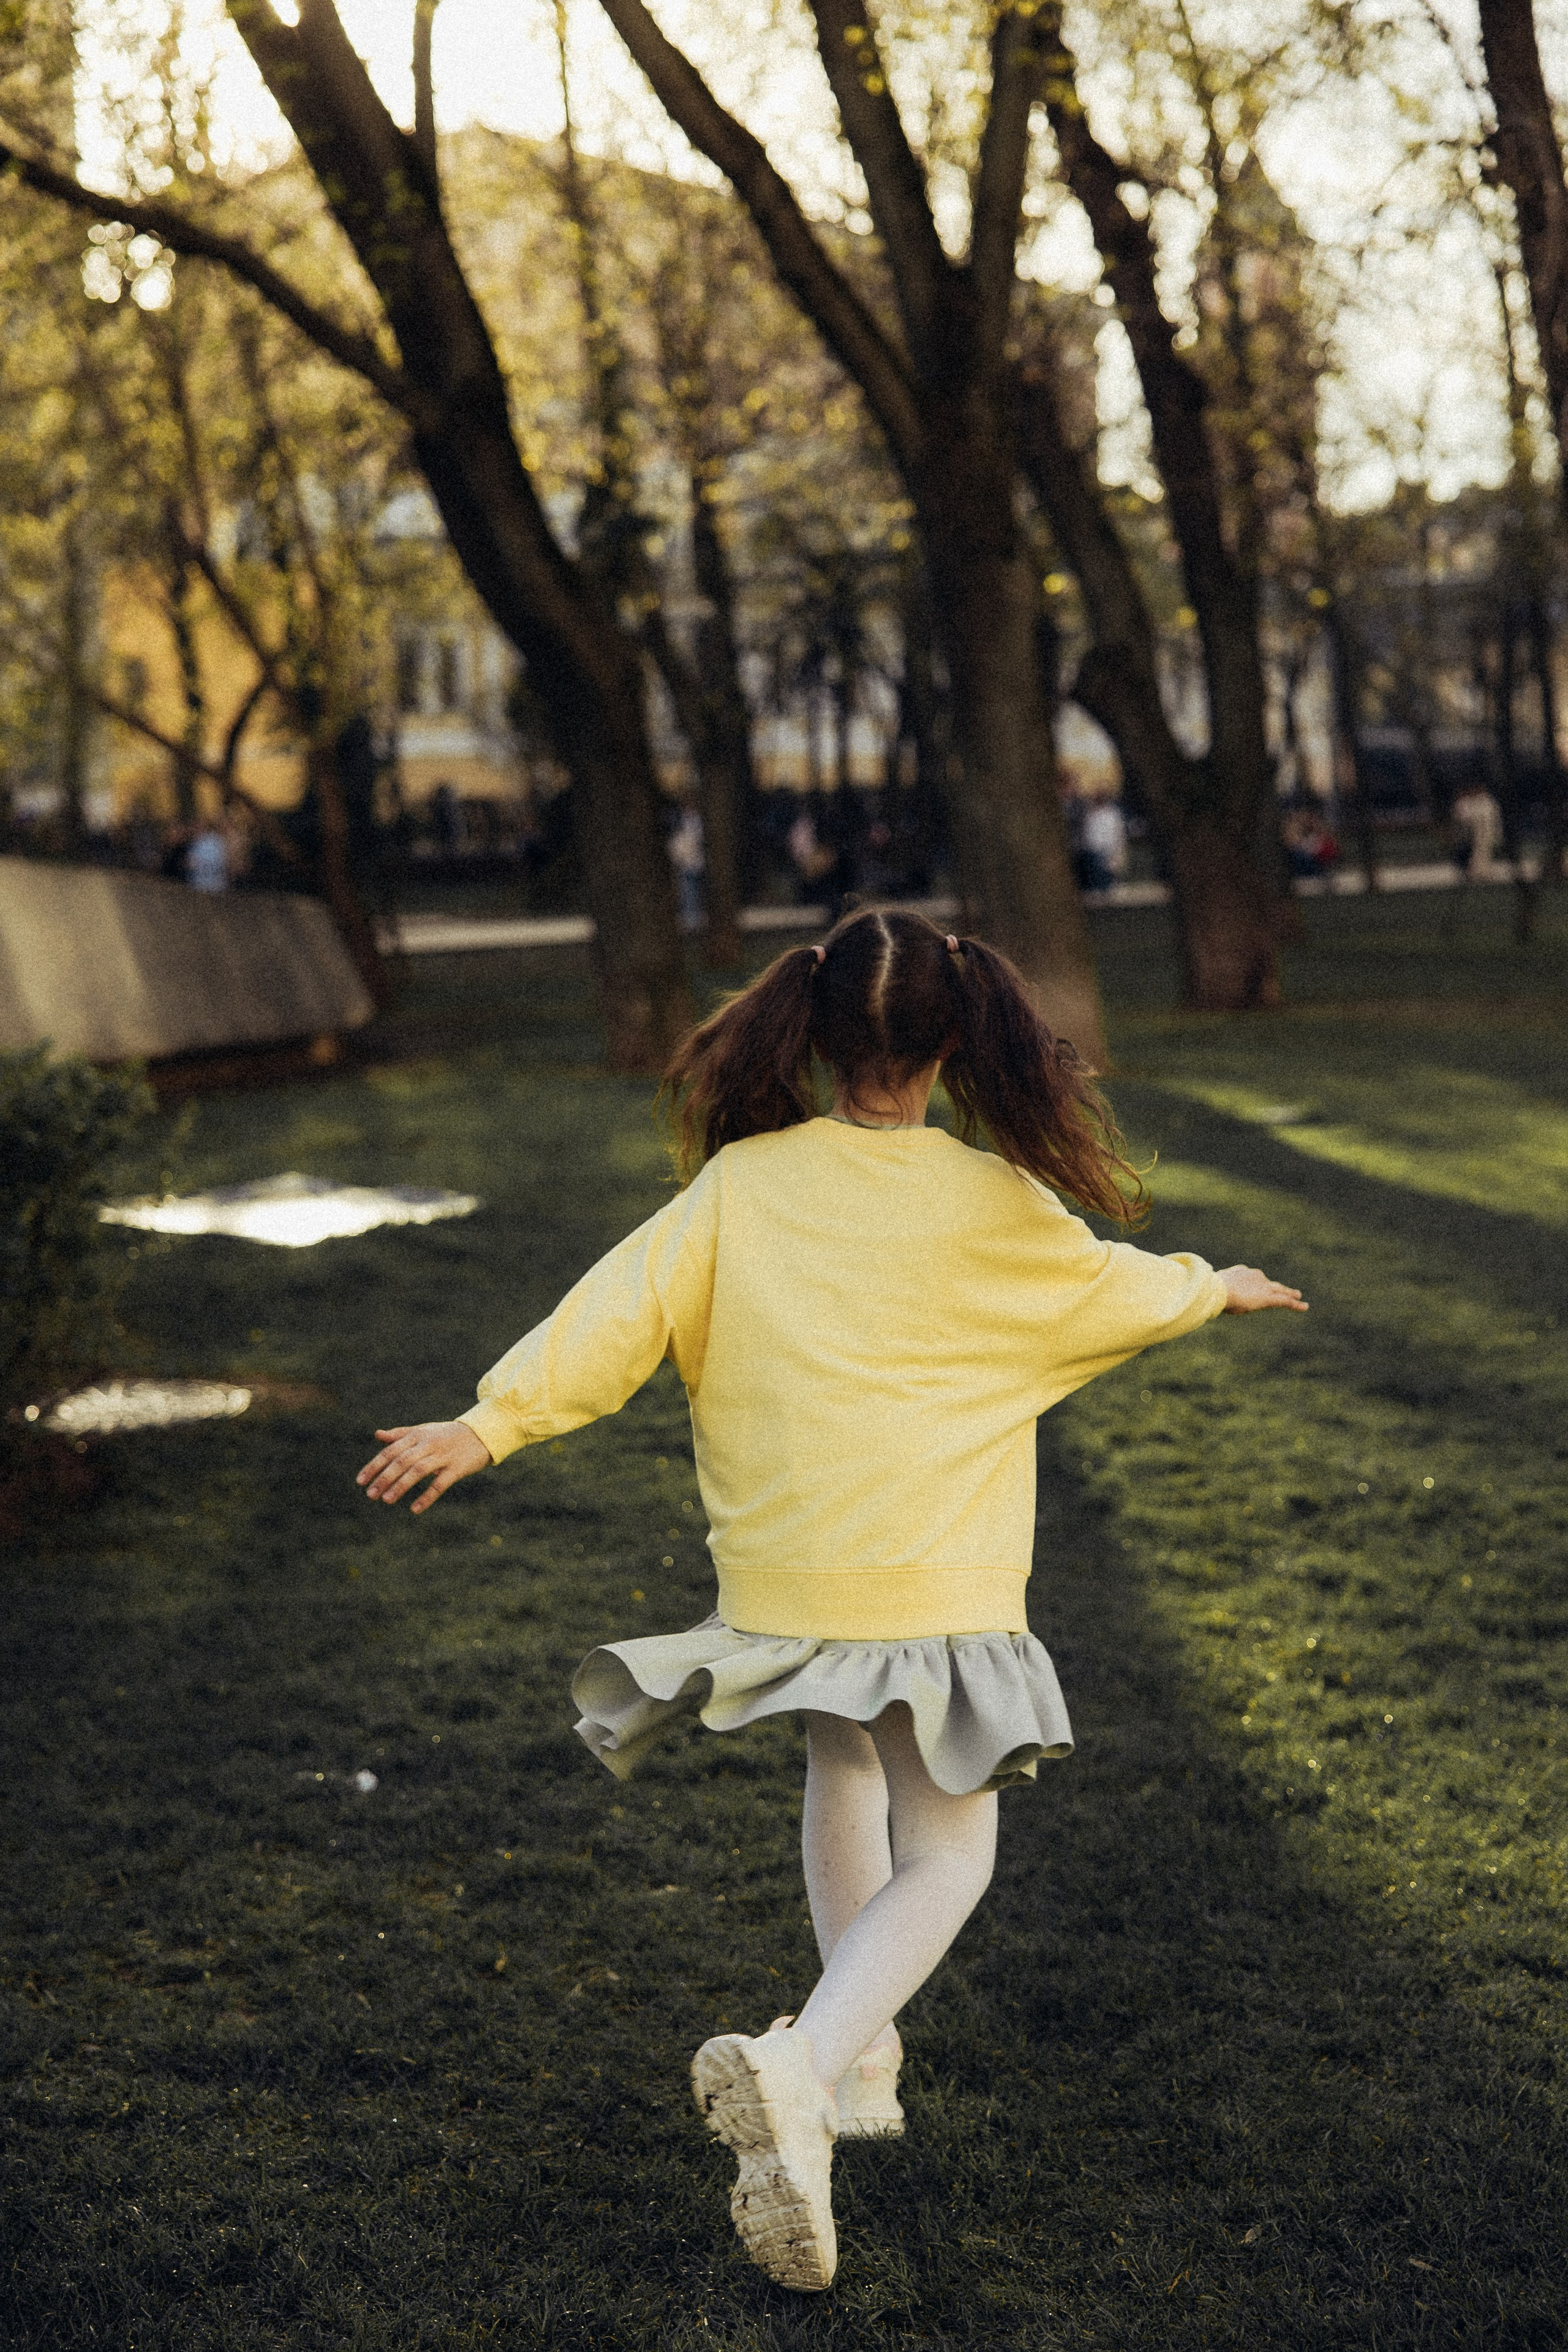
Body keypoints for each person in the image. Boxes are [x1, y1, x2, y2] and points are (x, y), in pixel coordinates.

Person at [356, 910, 1306, 2294]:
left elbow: (612, 1314)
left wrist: (488, 1422)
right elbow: (1103, 1293)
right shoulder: (993, 1200)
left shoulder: (740, 1188)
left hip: (789, 1580)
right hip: (929, 1578)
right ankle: (797, 2066)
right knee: (951, 1857)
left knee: (841, 1759)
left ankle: (860, 2074)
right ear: (950, 1040)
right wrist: (1206, 1289)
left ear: (811, 1030)